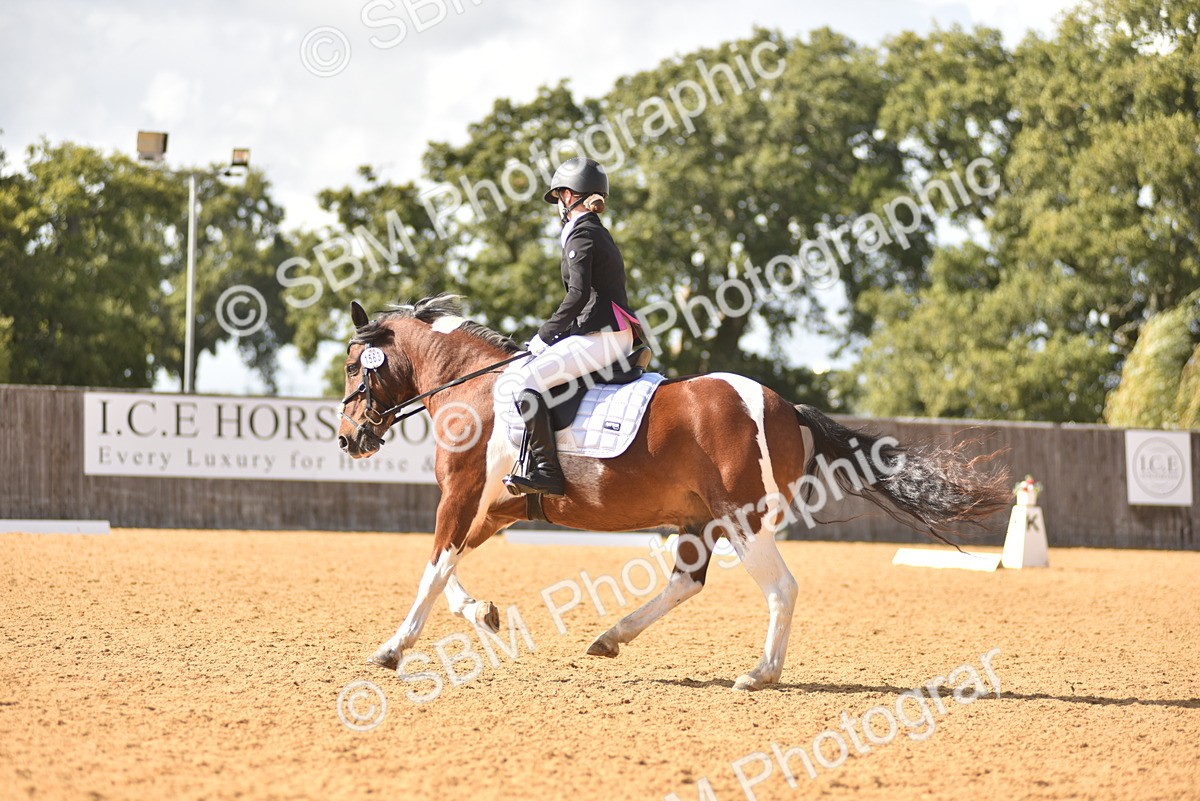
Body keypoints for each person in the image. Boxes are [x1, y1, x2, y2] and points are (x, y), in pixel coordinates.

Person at [501, 157, 640, 497]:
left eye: (559, 196)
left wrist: (545, 335)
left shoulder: (583, 234)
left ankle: (547, 472)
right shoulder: (594, 231)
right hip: (610, 332)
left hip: (604, 336)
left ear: (568, 195)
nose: (558, 204)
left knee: (527, 381)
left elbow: (577, 295)